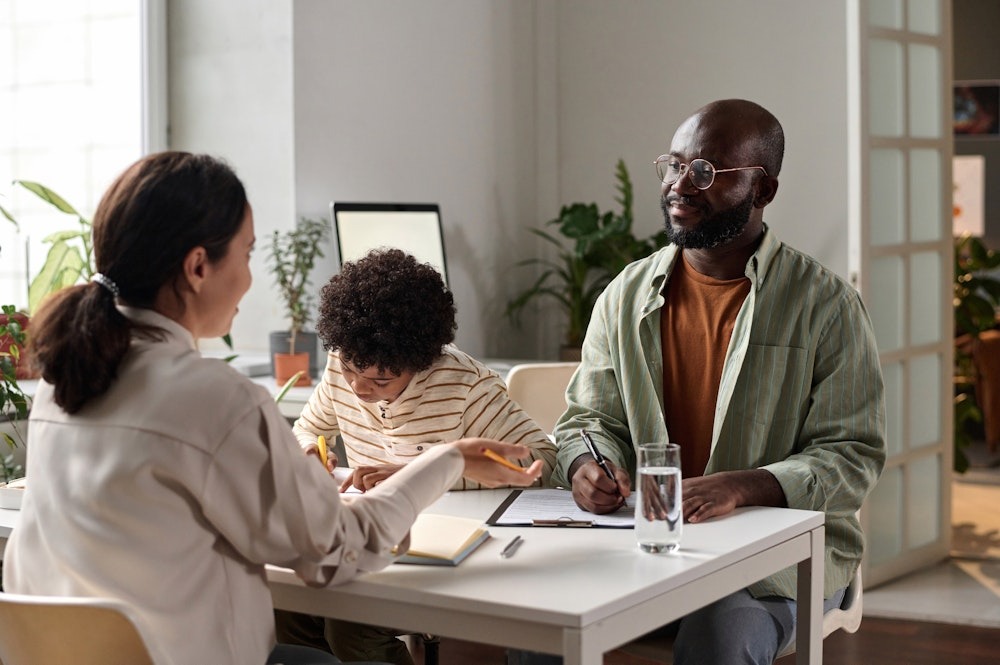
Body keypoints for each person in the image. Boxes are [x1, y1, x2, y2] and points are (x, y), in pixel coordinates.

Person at [0, 151, 543, 665]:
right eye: (248, 252)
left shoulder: (63, 380)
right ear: (197, 267)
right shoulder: (215, 397)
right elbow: (342, 551)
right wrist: (448, 459)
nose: (251, 276)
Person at [540, 99, 886, 665]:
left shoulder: (826, 305)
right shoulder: (623, 296)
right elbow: (589, 419)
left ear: (763, 189)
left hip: (771, 567)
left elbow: (852, 457)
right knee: (540, 624)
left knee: (721, 635)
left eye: (704, 172)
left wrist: (742, 486)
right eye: (674, 166)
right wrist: (589, 465)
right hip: (641, 546)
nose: (680, 185)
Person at [277, 247, 558, 664]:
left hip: (445, 546)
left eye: (381, 380)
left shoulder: (465, 386)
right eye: (352, 370)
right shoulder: (342, 367)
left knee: (351, 622)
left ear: (421, 362)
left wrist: (422, 473)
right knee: (290, 607)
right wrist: (306, 452)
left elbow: (542, 462)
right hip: (369, 541)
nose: (358, 388)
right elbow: (308, 428)